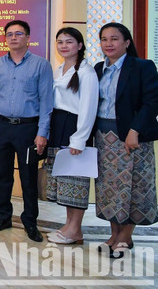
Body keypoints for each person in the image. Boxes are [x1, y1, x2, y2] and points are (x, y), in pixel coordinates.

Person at [0, 19, 53, 242]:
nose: (13, 38)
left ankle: (30, 221)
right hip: (1, 126)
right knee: (2, 175)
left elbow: (46, 102)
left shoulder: (41, 65)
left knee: (28, 177)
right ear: (5, 39)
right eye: (9, 34)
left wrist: (43, 132)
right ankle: (3, 217)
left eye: (18, 34)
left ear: (28, 38)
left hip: (29, 129)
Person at [94, 22, 158, 258]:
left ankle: (125, 236)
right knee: (109, 188)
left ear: (127, 42)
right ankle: (114, 234)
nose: (108, 44)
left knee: (132, 186)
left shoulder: (142, 67)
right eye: (104, 39)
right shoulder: (98, 68)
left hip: (131, 137)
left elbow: (152, 102)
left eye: (114, 39)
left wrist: (135, 130)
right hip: (103, 136)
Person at [41, 27, 98, 245]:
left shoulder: (86, 72)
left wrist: (79, 139)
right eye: (60, 42)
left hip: (74, 129)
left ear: (80, 45)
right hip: (58, 127)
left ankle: (75, 229)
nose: (64, 46)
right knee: (64, 180)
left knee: (76, 180)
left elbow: (88, 108)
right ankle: (69, 225)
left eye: (69, 42)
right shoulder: (59, 69)